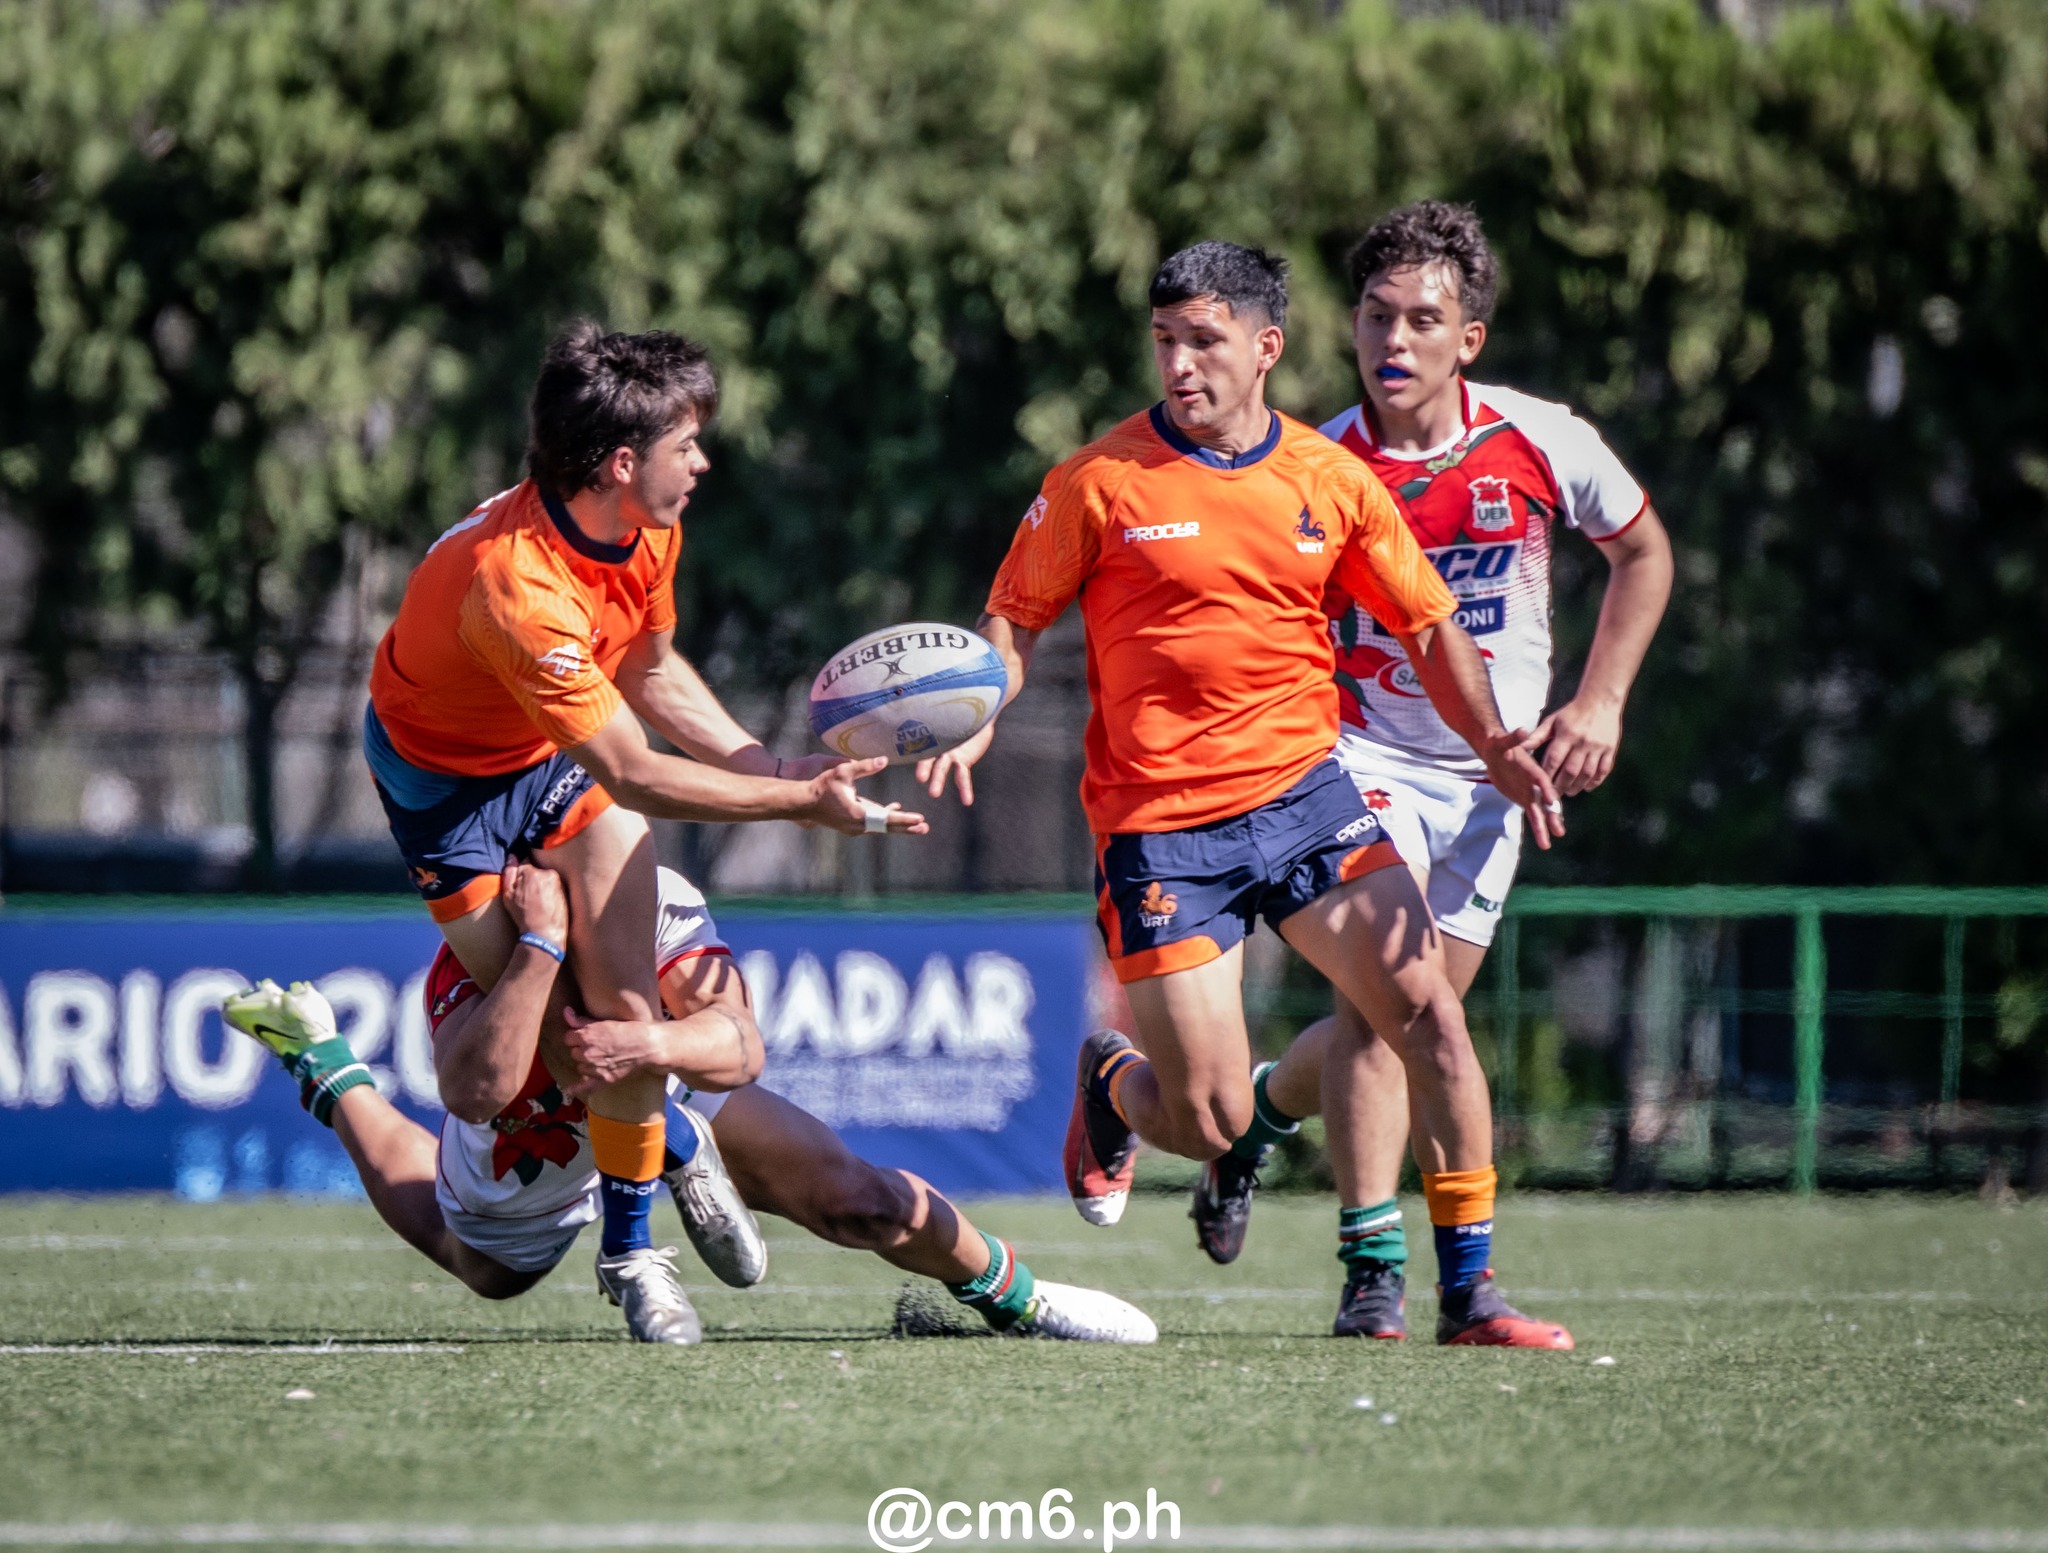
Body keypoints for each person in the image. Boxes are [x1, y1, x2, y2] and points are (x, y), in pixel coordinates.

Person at [920, 240, 1572, 1346]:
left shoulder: (1327, 477)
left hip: (1305, 798)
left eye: (1204, 342)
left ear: (1264, 349)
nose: (1178, 365)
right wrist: (980, 702)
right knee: (1212, 1116)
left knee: (1429, 1017)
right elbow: (1015, 618)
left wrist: (1496, 745)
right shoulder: (1096, 481)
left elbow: (1427, 627)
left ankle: (1470, 1292)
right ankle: (1115, 1086)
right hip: (1160, 833)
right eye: (1164, 341)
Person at [358, 322, 923, 1340]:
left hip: (544, 753)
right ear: (622, 462)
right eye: (686, 444)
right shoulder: (516, 588)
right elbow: (634, 770)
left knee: (619, 1002)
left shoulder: (647, 525)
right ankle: (664, 1147)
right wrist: (802, 804)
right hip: (443, 788)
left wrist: (767, 763)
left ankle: (628, 1253)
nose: (702, 461)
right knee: (560, 1025)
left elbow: (651, 673)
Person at [1190, 202, 1673, 1340]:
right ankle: (1379, 1270)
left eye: (1422, 319)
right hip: (1351, 758)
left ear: (1470, 338)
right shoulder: (1307, 468)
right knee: (1387, 1004)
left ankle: (1254, 1120)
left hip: (1494, 779)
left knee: (1419, 1019)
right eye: (1373, 315)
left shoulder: (1539, 439)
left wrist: (1598, 701)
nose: (1392, 340)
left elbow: (1641, 552)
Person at [220, 861, 1157, 1345]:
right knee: (490, 1269)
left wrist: (652, 1045)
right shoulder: (487, 918)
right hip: (535, 1123)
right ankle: (328, 1066)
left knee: (859, 1197)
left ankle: (1021, 1301)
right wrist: (542, 945)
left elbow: (740, 1044)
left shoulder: (655, 894)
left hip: (656, 1082)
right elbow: (473, 1086)